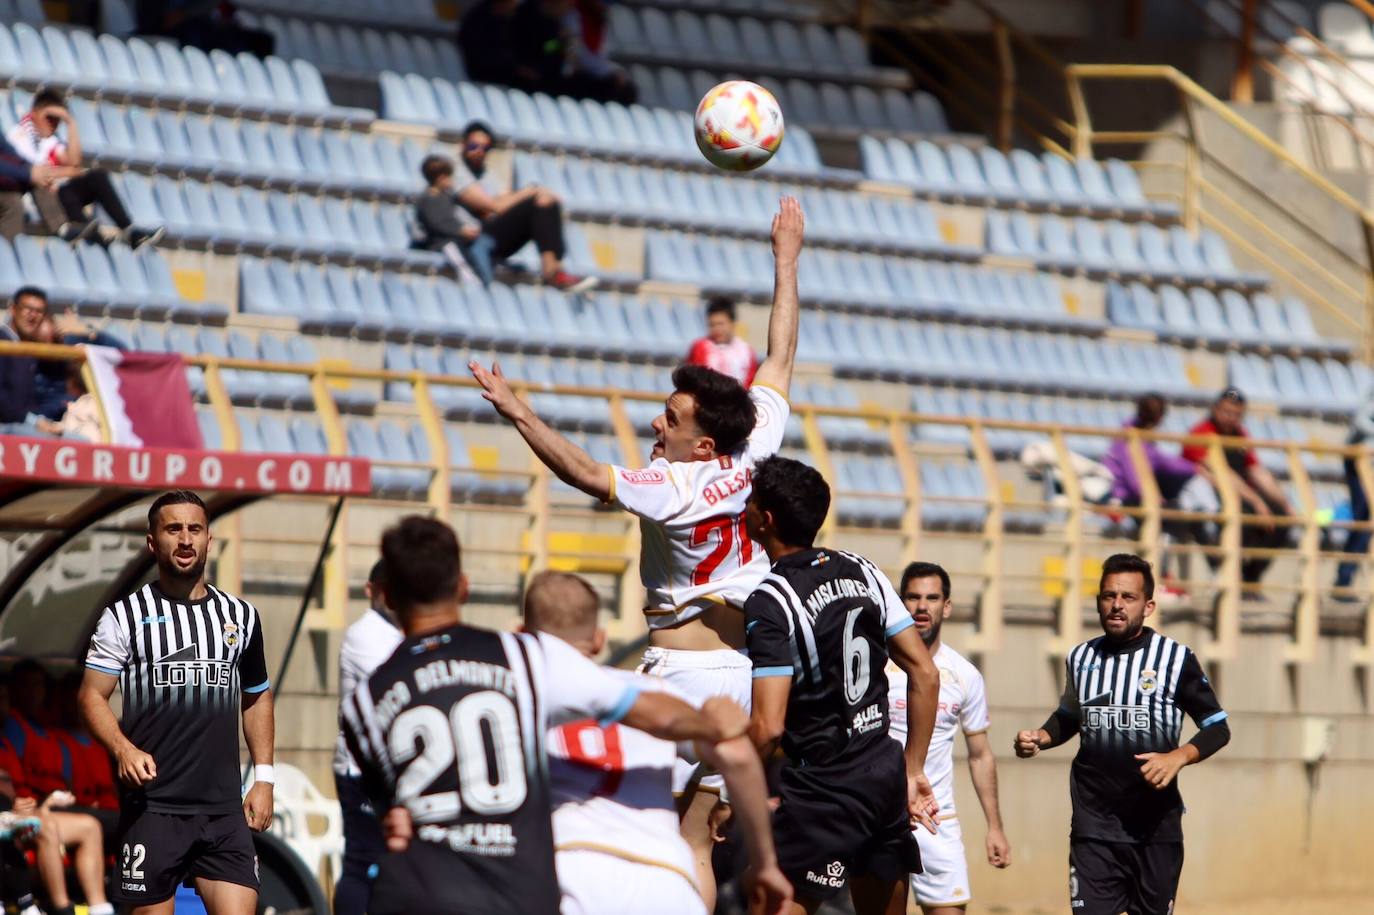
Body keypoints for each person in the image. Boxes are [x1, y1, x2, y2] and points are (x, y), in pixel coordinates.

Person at [470, 196, 804, 910]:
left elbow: (586, 473)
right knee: (695, 840)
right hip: (743, 673)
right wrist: (785, 259)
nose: (659, 419)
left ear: (702, 445)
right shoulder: (758, 444)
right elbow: (779, 355)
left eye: (673, 417)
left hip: (679, 674)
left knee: (628, 822)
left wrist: (518, 409)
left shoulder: (672, 485)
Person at [339, 516, 791, 915]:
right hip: (625, 881)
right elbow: (689, 730)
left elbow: (389, 817)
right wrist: (714, 722)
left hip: (489, 882)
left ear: (389, 596)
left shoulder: (364, 700)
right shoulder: (524, 662)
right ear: (463, 586)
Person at [741, 455, 941, 915]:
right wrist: (912, 770)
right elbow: (925, 673)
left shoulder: (770, 600)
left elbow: (769, 727)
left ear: (765, 519)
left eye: (750, 502)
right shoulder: (863, 569)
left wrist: (734, 790)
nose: (744, 508)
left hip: (825, 785)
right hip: (884, 773)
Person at [522, 570, 787, 915]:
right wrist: (765, 863)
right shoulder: (656, 693)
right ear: (599, 640)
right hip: (666, 884)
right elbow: (737, 757)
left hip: (574, 875)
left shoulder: (518, 697)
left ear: (524, 636)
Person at [79, 489, 275, 915]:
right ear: (153, 542)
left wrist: (264, 777)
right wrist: (123, 749)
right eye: (173, 529)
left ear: (209, 540)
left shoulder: (241, 617)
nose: (185, 539)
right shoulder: (124, 616)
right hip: (153, 808)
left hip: (223, 809)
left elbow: (256, 694)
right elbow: (92, 697)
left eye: (195, 529)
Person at [1013, 553, 1231, 915]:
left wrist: (1177, 757)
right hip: (1094, 826)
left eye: (1127, 597)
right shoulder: (1081, 657)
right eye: (1108, 595)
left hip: (1154, 830)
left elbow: (1217, 728)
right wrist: (1042, 736)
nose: (1116, 605)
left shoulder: (1175, 659)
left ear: (1148, 606)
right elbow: (1070, 716)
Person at [886, 562, 1010, 914]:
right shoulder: (876, 664)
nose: (922, 607)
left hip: (936, 820)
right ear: (900, 602)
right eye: (912, 597)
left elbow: (979, 754)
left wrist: (995, 827)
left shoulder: (965, 675)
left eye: (931, 598)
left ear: (947, 606)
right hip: (883, 816)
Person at [415, 125, 595, 292]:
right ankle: (552, 273)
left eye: (485, 149)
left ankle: (554, 269)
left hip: (488, 234)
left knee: (545, 203)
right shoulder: (454, 171)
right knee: (537, 199)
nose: (479, 152)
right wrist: (531, 191)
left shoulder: (486, 173)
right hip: (472, 239)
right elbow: (496, 206)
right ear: (463, 144)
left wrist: (528, 195)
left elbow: (502, 204)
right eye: (473, 146)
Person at [1, 671, 114, 915]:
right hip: (16, 815)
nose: (34, 692)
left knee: (89, 825)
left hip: (33, 809)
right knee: (45, 826)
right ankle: (62, 908)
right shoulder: (16, 729)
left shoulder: (37, 731)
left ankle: (101, 908)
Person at [332, 561, 404, 915]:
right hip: (361, 772)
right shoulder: (366, 634)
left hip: (396, 772)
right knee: (363, 862)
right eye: (386, 587)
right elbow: (404, 684)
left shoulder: (402, 632)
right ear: (370, 590)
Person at [6, 88, 163, 248]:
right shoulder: (20, 136)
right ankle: (98, 241)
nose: (53, 124)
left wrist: (70, 122)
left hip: (56, 193)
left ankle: (130, 231)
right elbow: (34, 173)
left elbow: (74, 164)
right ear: (35, 113)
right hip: (34, 200)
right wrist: (63, 172)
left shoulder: (48, 140)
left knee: (96, 178)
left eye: (57, 120)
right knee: (66, 194)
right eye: (50, 118)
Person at [1181, 388, 1293, 591]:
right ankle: (1230, 576)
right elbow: (1222, 473)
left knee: (1281, 520)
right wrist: (1257, 502)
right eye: (1225, 411)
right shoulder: (1202, 432)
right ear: (1215, 409)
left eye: (1235, 414)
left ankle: (1251, 580)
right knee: (1243, 518)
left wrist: (1284, 504)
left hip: (1240, 492)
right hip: (1214, 495)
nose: (1229, 417)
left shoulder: (1240, 434)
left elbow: (1254, 469)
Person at [1334, 394, 1374, 595]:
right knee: (1362, 521)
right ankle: (1344, 580)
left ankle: (1346, 579)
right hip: (1360, 462)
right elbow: (1360, 420)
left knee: (1366, 524)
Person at [564, 0, 637, 104]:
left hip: (590, 73)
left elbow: (599, 57)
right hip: (574, 75)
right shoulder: (572, 16)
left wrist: (615, 71)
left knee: (627, 88)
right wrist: (611, 72)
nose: (606, 7)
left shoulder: (598, 21)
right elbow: (582, 58)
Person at [0, 286, 48, 435]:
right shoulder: (3, 342)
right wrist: (34, 421)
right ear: (13, 309)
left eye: (39, 311)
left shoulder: (28, 348)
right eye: (27, 309)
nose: (33, 316)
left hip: (22, 424)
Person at [685, 296, 758, 387]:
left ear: (732, 323)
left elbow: (750, 383)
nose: (717, 329)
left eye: (721, 324)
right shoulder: (700, 348)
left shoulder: (746, 351)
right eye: (712, 325)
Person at [456, 0, 529, 88]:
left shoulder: (511, 20)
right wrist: (516, 67)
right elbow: (479, 55)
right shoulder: (478, 21)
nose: (516, 5)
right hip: (486, 79)